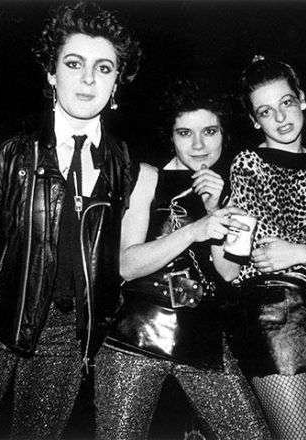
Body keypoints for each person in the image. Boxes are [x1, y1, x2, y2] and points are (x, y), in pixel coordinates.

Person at [0, 2, 141, 438]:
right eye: (74, 63)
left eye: (103, 68)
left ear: (116, 82)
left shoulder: (121, 159)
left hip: (65, 339)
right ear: (51, 73)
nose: (88, 79)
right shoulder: (8, 148)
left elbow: (107, 262)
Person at [94, 79, 271, 439]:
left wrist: (214, 209)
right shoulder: (146, 177)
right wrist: (194, 230)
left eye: (210, 131)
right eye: (185, 133)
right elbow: (127, 265)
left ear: (224, 134)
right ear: (171, 137)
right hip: (137, 337)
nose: (199, 145)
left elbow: (227, 272)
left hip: (202, 339)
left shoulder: (232, 191)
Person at [212, 56, 306, 440]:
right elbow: (240, 260)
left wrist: (303, 252)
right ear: (254, 121)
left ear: (302, 100)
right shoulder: (247, 164)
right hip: (275, 316)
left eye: (286, 102)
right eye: (266, 111)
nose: (280, 117)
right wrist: (216, 215)